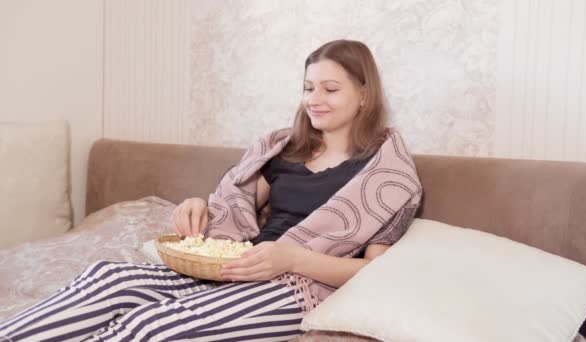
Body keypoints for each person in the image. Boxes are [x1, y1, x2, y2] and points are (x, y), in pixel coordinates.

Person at [0, 39, 421, 342]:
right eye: (309, 87)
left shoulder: (384, 176)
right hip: (237, 266)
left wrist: (294, 257)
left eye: (331, 89)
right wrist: (198, 205)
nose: (315, 99)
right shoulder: (282, 150)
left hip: (296, 287)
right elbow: (230, 212)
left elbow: (375, 271)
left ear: (364, 95)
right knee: (106, 278)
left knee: (153, 326)